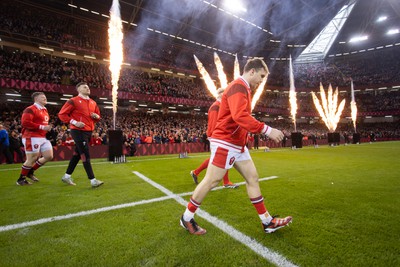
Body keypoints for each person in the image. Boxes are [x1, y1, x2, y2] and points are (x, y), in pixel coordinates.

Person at [180, 59, 292, 235]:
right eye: (261, 76)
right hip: (226, 141)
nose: (262, 80)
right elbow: (240, 116)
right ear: (252, 71)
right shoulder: (239, 86)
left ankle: (267, 221)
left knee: (252, 178)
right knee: (211, 180)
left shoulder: (243, 88)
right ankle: (186, 218)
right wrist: (267, 130)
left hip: (237, 144)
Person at [190, 88, 238, 189]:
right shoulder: (216, 106)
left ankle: (196, 172)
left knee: (222, 158)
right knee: (222, 158)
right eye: (224, 93)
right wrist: (212, 136)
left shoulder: (220, 106)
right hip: (217, 137)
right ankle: (225, 181)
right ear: (220, 95)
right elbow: (213, 122)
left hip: (219, 136)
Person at [58, 82, 103, 188]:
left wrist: (96, 116)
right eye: (84, 87)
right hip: (78, 131)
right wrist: (74, 122)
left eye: (88, 87)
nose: (88, 88)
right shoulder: (73, 101)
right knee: (85, 154)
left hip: (88, 131)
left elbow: (98, 117)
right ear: (78, 89)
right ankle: (93, 180)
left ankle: (66, 176)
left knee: (77, 154)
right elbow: (62, 114)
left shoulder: (93, 102)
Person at [16, 92, 54, 185]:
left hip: (42, 137)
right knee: (32, 158)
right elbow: (25, 123)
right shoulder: (30, 109)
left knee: (49, 156)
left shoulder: (44, 109)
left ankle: (30, 172)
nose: (45, 98)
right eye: (43, 97)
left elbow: (42, 124)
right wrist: (42, 127)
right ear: (36, 99)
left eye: (45, 97)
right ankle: (21, 179)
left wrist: (47, 128)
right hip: (31, 136)